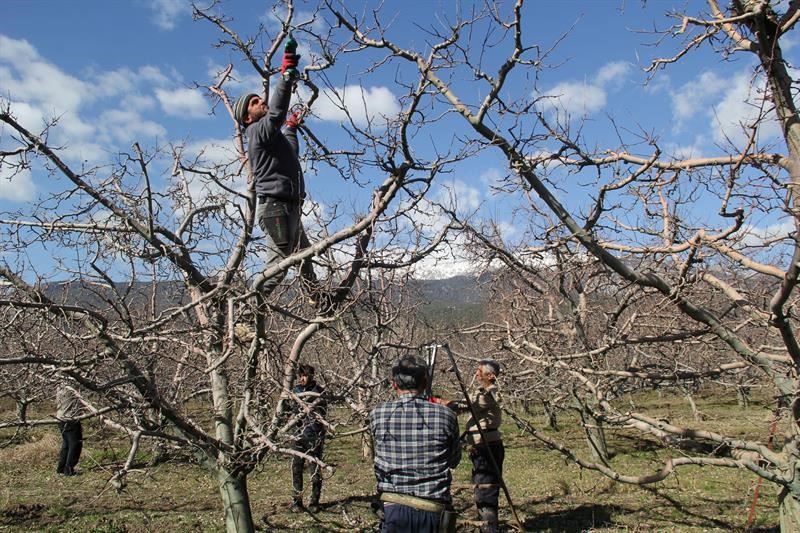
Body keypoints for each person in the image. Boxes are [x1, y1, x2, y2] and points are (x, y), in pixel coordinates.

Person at [233, 37, 318, 300]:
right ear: (247, 117)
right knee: (278, 267)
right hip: (276, 207)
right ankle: (249, 306)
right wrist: (286, 75)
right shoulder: (256, 131)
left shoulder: (270, 135)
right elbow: (276, 114)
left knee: (305, 260)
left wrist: (291, 128)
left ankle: (322, 303)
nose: (261, 102)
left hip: (289, 206)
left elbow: (290, 150)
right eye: (255, 102)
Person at [370, 355, 461, 533]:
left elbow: (377, 453)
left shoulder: (378, 414)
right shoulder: (446, 415)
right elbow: (454, 460)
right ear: (426, 382)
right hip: (434, 510)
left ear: (393, 383)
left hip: (392, 508)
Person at [434, 360, 504, 533]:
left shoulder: (490, 393)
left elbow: (466, 405)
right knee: (481, 487)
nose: (476, 374)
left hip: (488, 448)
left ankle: (489, 529)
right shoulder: (481, 392)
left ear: (490, 375)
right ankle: (487, 526)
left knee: (486, 490)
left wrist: (438, 402)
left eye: (479, 371)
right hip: (481, 447)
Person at [289, 364, 327, 512]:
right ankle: (296, 501)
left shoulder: (319, 391)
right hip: (298, 435)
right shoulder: (296, 390)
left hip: (314, 436)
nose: (302, 378)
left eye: (305, 375)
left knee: (315, 470)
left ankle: (314, 502)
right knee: (296, 469)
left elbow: (323, 412)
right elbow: (290, 409)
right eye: (300, 375)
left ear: (311, 376)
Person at [55, 381, 83, 476]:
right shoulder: (72, 387)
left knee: (66, 444)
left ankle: (61, 469)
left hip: (60, 418)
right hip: (71, 419)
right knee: (75, 444)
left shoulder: (59, 386)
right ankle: (69, 470)